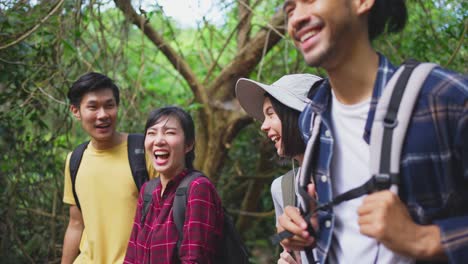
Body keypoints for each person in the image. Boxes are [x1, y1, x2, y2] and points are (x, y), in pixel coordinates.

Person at [277, 0, 468, 263]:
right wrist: (308, 228)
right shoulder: (313, 121)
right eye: (290, 9)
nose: (296, 18)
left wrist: (424, 239)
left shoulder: (444, 99)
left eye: (309, 1)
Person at [62, 72, 156, 263]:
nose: (103, 115)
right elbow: (76, 223)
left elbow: (168, 217)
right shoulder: (75, 160)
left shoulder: (143, 151)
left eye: (109, 105)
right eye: (93, 107)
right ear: (75, 111)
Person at [236, 73, 322, 264]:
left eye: (270, 114)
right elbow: (283, 244)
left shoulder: (350, 176)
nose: (263, 126)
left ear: (301, 116)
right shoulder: (283, 188)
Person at [124, 106, 224, 263]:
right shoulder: (148, 191)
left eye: (169, 132)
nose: (158, 141)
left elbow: (194, 260)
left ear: (189, 145)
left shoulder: (198, 188)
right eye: (151, 133)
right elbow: (131, 257)